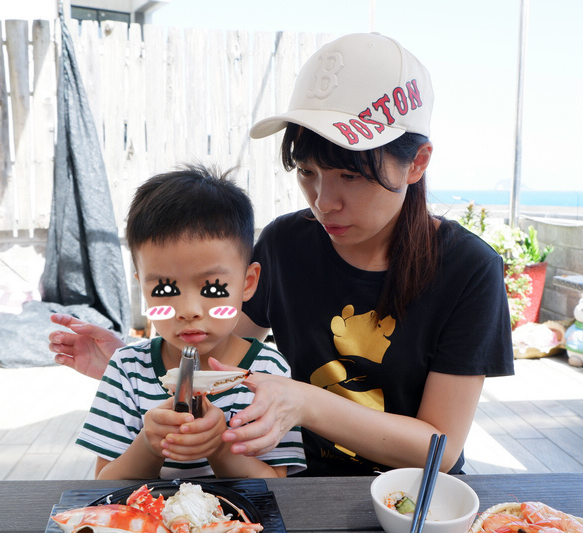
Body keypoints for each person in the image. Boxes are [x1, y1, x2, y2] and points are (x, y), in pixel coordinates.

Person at [50, 33, 514, 476]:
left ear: (417, 162)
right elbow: (223, 352)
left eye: (349, 176)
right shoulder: (285, 243)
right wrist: (138, 362)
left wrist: (306, 401)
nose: (323, 200)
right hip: (297, 484)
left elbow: (442, 449)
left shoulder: (468, 270)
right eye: (308, 171)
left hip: (412, 493)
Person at [71, 164, 306, 480]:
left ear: (248, 283)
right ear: (143, 288)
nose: (189, 309)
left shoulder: (268, 373)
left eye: (212, 288)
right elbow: (104, 483)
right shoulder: (127, 369)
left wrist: (220, 446)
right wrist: (150, 444)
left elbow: (277, 485)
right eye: (164, 289)